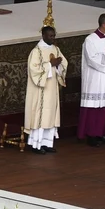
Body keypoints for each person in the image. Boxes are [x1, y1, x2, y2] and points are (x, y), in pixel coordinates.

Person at [78, 13, 105, 146]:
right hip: (95, 79)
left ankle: (103, 134)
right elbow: (91, 59)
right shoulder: (90, 40)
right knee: (95, 108)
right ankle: (92, 136)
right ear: (104, 24)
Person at [23, 25, 67, 153]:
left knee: (50, 115)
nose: (53, 38)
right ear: (43, 36)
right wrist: (50, 65)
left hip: (52, 88)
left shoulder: (56, 49)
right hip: (40, 90)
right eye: (50, 36)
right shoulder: (36, 51)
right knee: (40, 115)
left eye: (54, 36)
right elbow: (33, 70)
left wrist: (59, 64)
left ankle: (47, 143)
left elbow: (64, 63)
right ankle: (37, 145)